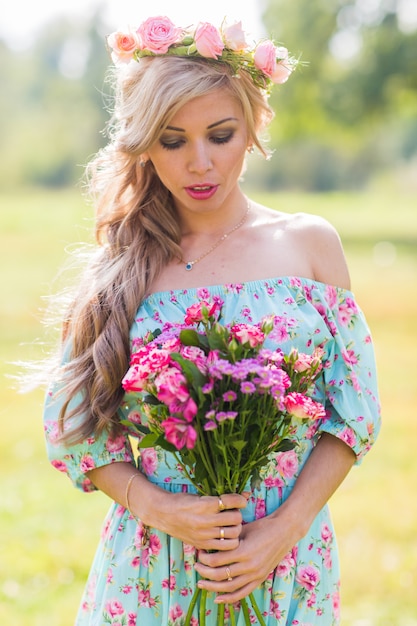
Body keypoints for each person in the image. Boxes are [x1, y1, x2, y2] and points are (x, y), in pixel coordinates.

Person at [43, 16, 381, 625]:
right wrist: (159, 508)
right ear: (145, 144)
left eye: (219, 135)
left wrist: (285, 528)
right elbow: (74, 430)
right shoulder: (122, 266)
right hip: (155, 568)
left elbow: (351, 413)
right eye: (173, 141)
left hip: (284, 562)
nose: (199, 163)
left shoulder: (310, 245)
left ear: (251, 129)